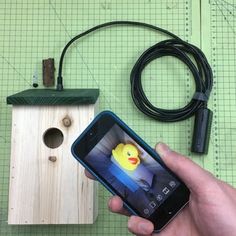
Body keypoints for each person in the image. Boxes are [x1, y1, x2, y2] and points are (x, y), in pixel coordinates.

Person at [85, 142, 236, 236]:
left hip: (145, 183)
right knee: (129, 197)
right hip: (133, 180)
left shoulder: (139, 170)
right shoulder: (119, 168)